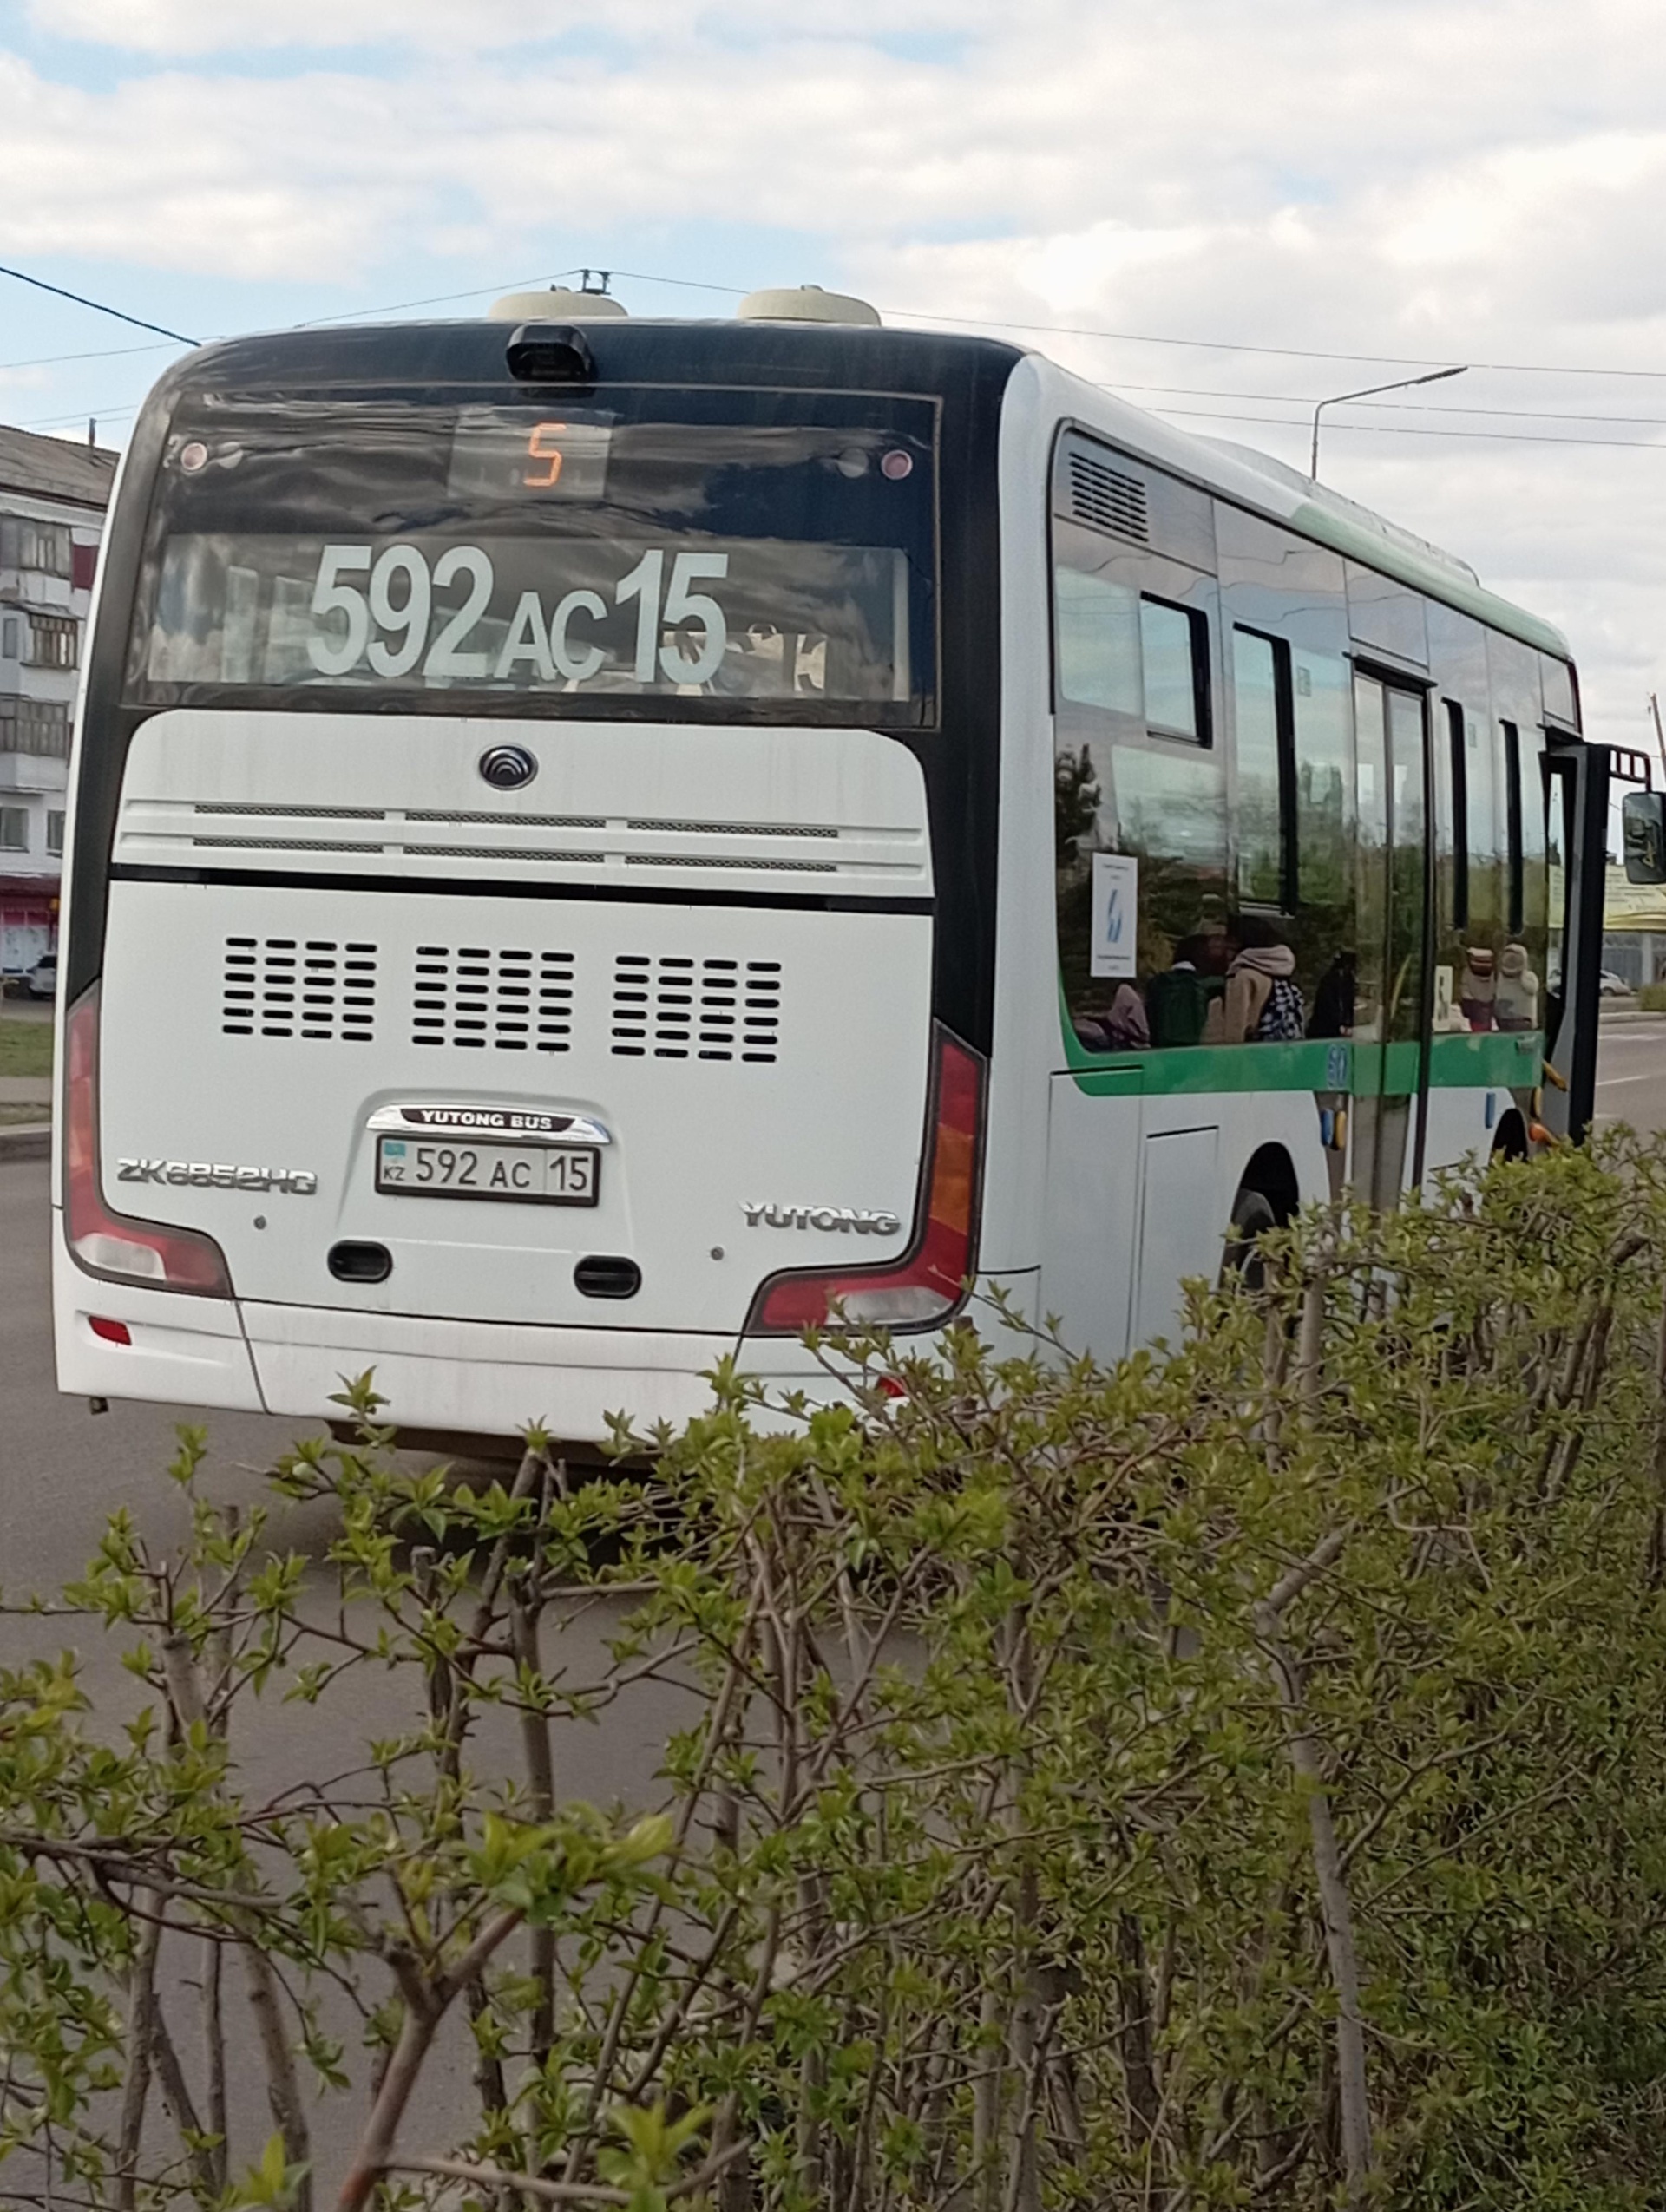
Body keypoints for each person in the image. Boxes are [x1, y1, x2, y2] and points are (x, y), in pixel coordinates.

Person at [1223, 919, 1304, 1043]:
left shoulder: (1244, 977)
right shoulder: (1280, 972)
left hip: (1252, 1054)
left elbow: (1236, 1027)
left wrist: (1230, 1059)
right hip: (1280, 1051)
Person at [1147, 933, 1225, 1047]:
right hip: (1194, 1055)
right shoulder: (1209, 986)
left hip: (1160, 1054)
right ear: (1202, 956)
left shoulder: (1156, 983)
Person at [1309, 948, 1356, 1040]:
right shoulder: (1329, 980)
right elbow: (1327, 1005)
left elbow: (1348, 1003)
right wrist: (1338, 1023)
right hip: (1323, 1029)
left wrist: (1348, 1023)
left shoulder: (1348, 980)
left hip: (1337, 1029)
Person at [1493, 942, 1540, 1032]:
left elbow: (1532, 989)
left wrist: (1523, 977)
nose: (1511, 960)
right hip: (1503, 1018)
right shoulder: (1500, 976)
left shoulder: (1528, 976)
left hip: (1523, 1019)